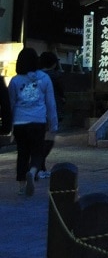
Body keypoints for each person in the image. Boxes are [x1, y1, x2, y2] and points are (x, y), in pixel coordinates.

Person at [8, 47, 58, 195]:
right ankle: (33, 170)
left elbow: (11, 104)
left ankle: (21, 186)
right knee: (37, 152)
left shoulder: (15, 80)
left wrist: (10, 126)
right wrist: (53, 124)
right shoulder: (44, 78)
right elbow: (51, 103)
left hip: (20, 122)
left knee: (22, 153)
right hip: (38, 121)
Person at [38, 51, 65, 179]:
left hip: (37, 112)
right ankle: (37, 166)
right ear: (54, 63)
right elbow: (61, 93)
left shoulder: (36, 76)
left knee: (40, 141)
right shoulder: (55, 76)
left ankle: (40, 167)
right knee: (48, 141)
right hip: (52, 111)